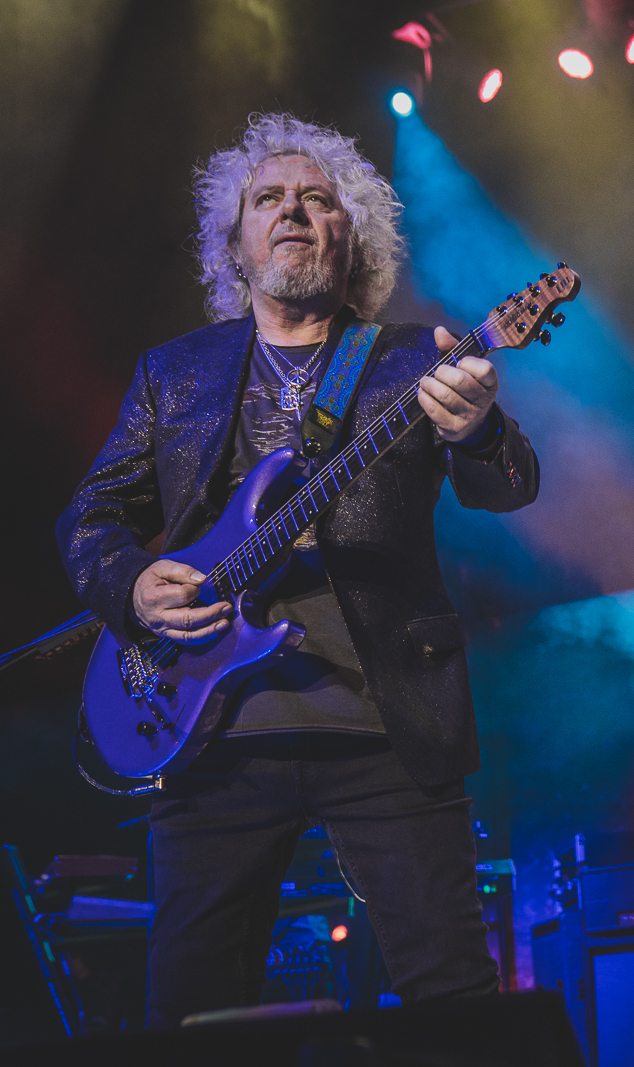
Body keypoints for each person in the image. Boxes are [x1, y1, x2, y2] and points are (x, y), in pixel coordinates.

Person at [57, 113, 539, 1026]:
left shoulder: (412, 357)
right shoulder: (178, 374)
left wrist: (478, 431)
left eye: (320, 200)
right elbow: (89, 516)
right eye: (269, 198)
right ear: (234, 240)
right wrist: (128, 586)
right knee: (187, 1016)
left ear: (350, 238)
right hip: (204, 734)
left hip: (383, 725)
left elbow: (509, 488)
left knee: (456, 1004)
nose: (294, 212)